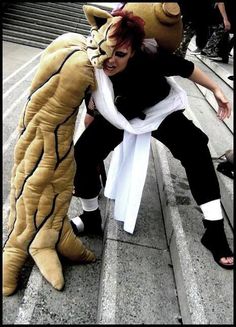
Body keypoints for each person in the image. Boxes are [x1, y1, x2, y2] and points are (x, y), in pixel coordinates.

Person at [71, 10, 233, 269]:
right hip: (119, 114)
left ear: (133, 51)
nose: (110, 60)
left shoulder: (151, 56)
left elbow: (188, 69)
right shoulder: (95, 60)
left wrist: (216, 90)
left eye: (120, 54)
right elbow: (92, 103)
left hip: (158, 110)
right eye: (108, 51)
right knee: (83, 153)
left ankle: (213, 230)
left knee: (196, 147)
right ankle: (91, 217)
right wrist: (90, 137)